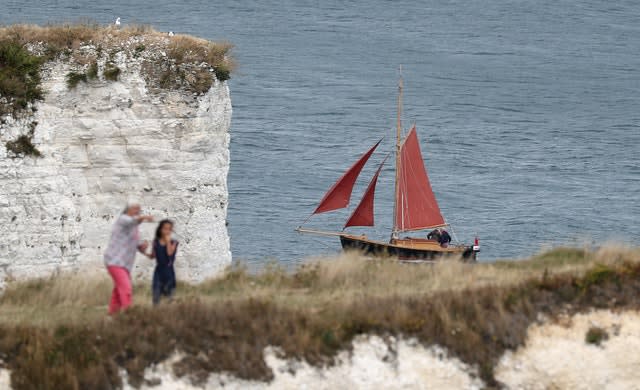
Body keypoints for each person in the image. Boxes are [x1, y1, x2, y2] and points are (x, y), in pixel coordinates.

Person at [103, 202, 154, 314]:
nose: (137, 211)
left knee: (118, 290)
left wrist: (145, 248)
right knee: (126, 288)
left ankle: (112, 315)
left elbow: (139, 246)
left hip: (125, 264)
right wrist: (145, 217)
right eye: (135, 209)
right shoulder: (123, 219)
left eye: (139, 210)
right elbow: (132, 220)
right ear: (127, 210)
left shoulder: (135, 230)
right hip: (114, 261)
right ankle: (129, 314)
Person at [148, 219, 178, 305]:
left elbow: (169, 253)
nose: (167, 231)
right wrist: (144, 251)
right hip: (158, 271)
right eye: (165, 229)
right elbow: (152, 256)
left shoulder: (174, 242)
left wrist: (168, 241)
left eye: (169, 229)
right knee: (156, 295)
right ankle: (156, 314)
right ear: (160, 229)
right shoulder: (155, 242)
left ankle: (169, 314)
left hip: (169, 271)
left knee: (169, 296)